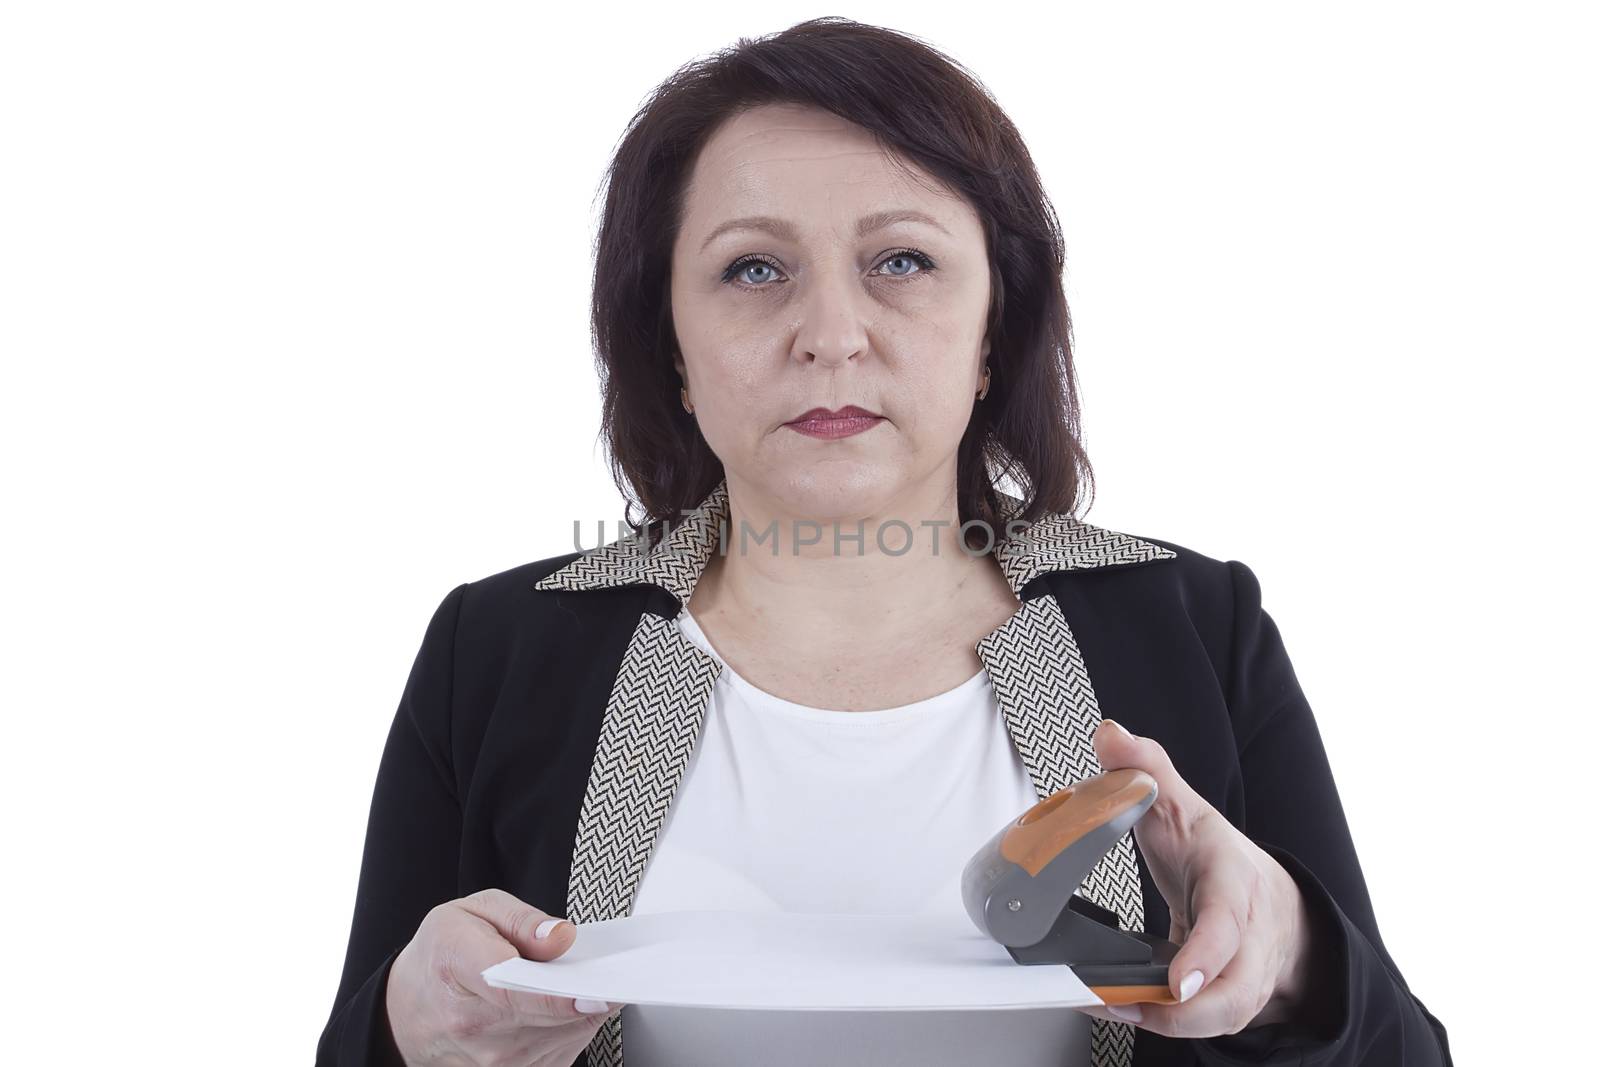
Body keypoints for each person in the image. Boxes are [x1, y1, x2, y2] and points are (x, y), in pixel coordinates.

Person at [316, 17, 1452, 1067]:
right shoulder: (499, 649)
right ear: (668, 342)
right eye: (751, 268)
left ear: (992, 330)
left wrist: (1295, 958)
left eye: (899, 262)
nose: (830, 336)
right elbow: (361, 1047)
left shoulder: (1197, 628)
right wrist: (404, 1027)